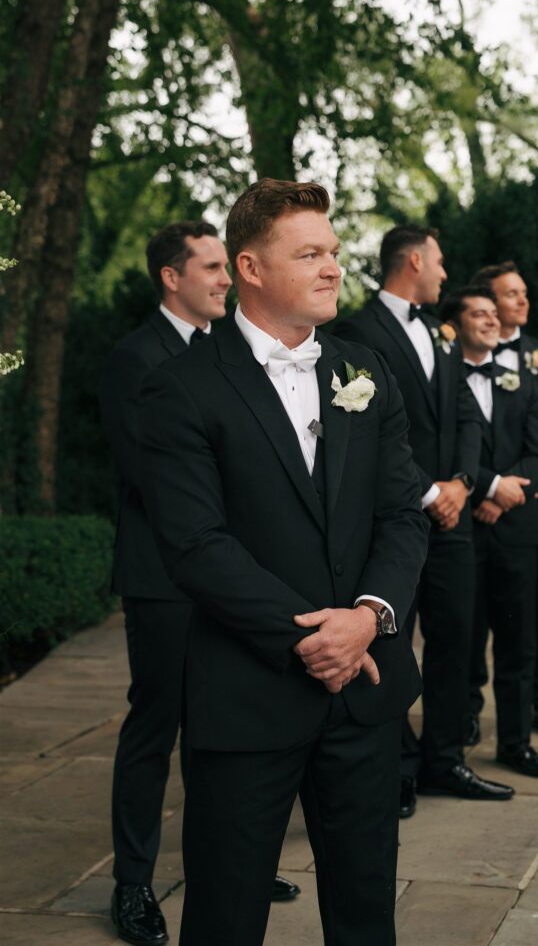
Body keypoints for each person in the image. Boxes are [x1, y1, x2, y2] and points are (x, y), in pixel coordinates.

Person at [138, 179, 430, 946]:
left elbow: (402, 512)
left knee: (366, 916)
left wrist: (368, 618)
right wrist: (314, 637)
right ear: (250, 268)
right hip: (248, 693)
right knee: (226, 918)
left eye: (333, 251)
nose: (333, 267)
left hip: (365, 694)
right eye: (308, 254)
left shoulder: (363, 369)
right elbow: (196, 546)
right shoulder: (179, 388)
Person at [100, 221, 299, 946]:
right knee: (155, 728)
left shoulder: (233, 355)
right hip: (164, 577)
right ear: (171, 277)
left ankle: (232, 866)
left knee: (230, 726)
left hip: (238, 576)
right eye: (212, 268)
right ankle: (132, 885)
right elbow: (151, 477)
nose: (226, 280)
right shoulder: (136, 360)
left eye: (227, 267)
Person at [336, 225, 513, 818]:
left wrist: (461, 484)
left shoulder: (440, 334)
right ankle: (396, 766)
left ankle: (444, 758)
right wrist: (427, 490)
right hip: (398, 519)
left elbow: (465, 414)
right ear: (413, 260)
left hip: (453, 518)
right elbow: (362, 438)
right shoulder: (356, 333)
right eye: (438, 263)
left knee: (455, 641)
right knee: (391, 645)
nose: (444, 274)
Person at [441, 287, 538, 778]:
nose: (490, 320)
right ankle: (459, 726)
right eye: (478, 313)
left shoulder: (521, 382)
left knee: (517, 641)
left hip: (515, 530)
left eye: (493, 313)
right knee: (461, 637)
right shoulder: (441, 380)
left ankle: (515, 742)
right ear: (456, 323)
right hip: (459, 527)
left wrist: (506, 494)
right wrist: (487, 486)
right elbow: (442, 450)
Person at [470, 262, 538, 743]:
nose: (522, 300)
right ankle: (467, 707)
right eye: (511, 294)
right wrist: (489, 487)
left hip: (536, 502)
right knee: (473, 610)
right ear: (489, 303)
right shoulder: (462, 354)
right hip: (478, 501)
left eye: (524, 293)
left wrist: (513, 491)